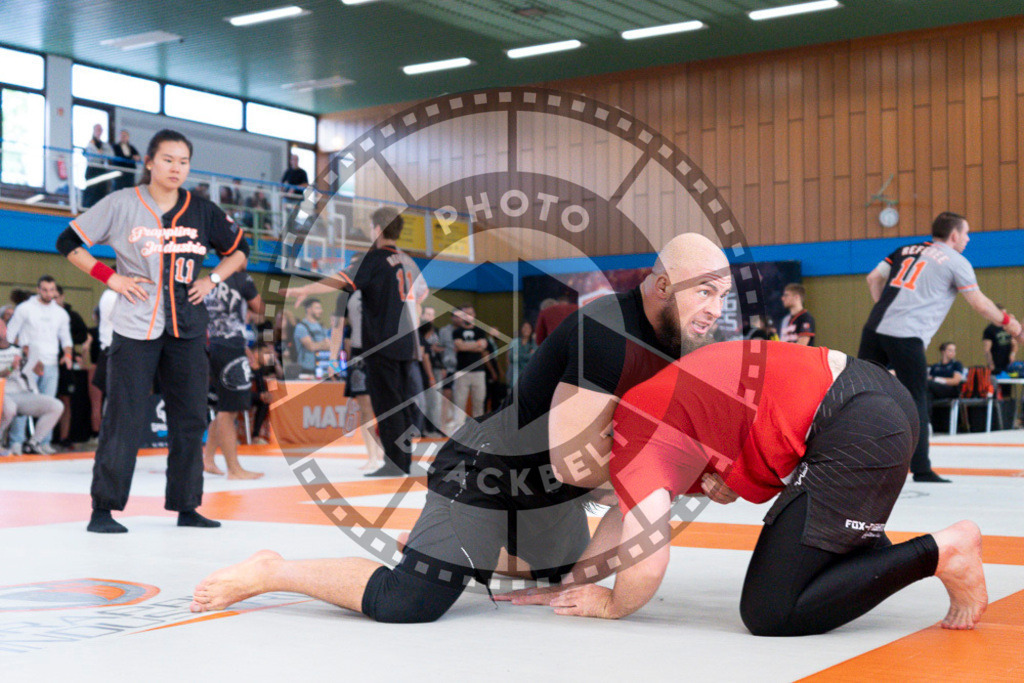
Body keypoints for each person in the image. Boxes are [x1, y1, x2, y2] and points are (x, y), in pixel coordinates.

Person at [189, 233, 733, 623]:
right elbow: (576, 459)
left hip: (548, 492)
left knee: (560, 578)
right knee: (410, 601)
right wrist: (672, 473)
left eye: (724, 296)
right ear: (662, 285)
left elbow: (637, 464)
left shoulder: (680, 347)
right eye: (704, 292)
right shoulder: (609, 332)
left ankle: (439, 540)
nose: (716, 308)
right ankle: (272, 569)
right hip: (490, 468)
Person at [510, 340, 987, 635]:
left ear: (594, 446)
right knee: (826, 549)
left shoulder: (634, 442)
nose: (584, 486)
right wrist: (572, 585)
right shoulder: (647, 407)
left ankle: (945, 551)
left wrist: (612, 605)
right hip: (871, 398)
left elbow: (648, 558)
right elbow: (623, 518)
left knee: (770, 611)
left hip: (856, 421)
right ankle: (919, 553)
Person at [57, 128, 250, 533]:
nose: (176, 168)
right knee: (123, 417)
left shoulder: (203, 210)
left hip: (189, 328)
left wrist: (212, 279)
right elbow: (68, 242)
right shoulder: (121, 203)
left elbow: (238, 251)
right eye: (168, 159)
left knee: (190, 417)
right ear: (148, 161)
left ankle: (187, 506)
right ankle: (103, 509)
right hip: (134, 326)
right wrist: (112, 279)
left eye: (183, 161)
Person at [858, 211, 1023, 483]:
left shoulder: (905, 249)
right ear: (954, 234)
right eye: (966, 233)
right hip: (906, 336)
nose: (968, 239)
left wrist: (882, 307)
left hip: (874, 328)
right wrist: (1009, 323)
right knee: (916, 400)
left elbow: (873, 279)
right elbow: (979, 303)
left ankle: (857, 461)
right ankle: (921, 469)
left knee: (862, 395)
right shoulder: (956, 261)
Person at [283, 207, 427, 477]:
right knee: (401, 401)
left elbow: (340, 280)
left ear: (377, 230)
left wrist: (304, 288)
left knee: (386, 405)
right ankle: (404, 460)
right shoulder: (408, 261)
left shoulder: (374, 259)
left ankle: (394, 464)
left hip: (381, 343)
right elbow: (422, 294)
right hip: (407, 343)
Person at [203, 272, 264, 480]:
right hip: (229, 348)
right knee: (228, 410)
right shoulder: (241, 279)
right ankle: (234, 469)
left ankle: (208, 459)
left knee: (223, 407)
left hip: (216, 348)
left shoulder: (208, 281)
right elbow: (260, 307)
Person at [5, 275, 72, 453]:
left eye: (51, 290)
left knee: (49, 403)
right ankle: (16, 441)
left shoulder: (60, 313)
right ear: (38, 289)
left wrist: (68, 353)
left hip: (51, 364)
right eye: (44, 289)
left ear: (55, 291)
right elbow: (11, 334)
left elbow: (66, 337)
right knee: (22, 404)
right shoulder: (25, 308)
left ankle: (41, 442)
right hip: (27, 365)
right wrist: (19, 353)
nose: (48, 293)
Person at [331, 290, 384, 471]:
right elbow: (337, 327)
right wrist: (333, 358)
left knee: (384, 405)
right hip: (360, 354)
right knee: (365, 405)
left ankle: (380, 446)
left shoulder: (384, 287)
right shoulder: (347, 294)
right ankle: (372, 455)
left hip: (384, 353)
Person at [0, 318, 65, 456]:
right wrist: (11, 367)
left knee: (56, 406)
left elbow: (39, 371)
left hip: (22, 393)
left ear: (6, 330)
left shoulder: (19, 350)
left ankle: (33, 443)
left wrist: (33, 357)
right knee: (9, 408)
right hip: (3, 394)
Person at [449, 306, 489, 432]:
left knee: (479, 403)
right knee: (460, 404)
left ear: (474, 314)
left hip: (479, 372)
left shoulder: (480, 331)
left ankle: (478, 433)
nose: (468, 316)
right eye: (465, 314)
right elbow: (460, 346)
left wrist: (466, 346)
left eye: (470, 313)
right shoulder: (457, 331)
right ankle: (457, 433)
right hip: (462, 372)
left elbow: (483, 347)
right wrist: (476, 344)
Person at [293, 299, 330, 376]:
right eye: (317, 308)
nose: (321, 311)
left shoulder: (322, 327)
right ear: (308, 309)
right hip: (306, 370)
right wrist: (323, 344)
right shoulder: (301, 327)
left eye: (321, 308)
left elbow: (329, 345)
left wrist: (318, 345)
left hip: (322, 369)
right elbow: (311, 346)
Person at [82, 124, 113, 208]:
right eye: (97, 129)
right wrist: (98, 152)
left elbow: (110, 154)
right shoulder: (90, 144)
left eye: (100, 130)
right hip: (92, 170)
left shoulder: (104, 145)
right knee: (91, 191)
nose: (98, 132)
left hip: (101, 170)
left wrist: (100, 153)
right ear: (94, 131)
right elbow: (92, 156)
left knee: (101, 191)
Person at [983, 305, 1017, 374]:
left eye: (1005, 314)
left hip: (1008, 364)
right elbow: (987, 349)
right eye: (1003, 314)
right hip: (996, 365)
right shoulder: (989, 329)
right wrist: (990, 363)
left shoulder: (1008, 327)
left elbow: (1014, 344)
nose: (1005, 316)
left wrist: (1012, 354)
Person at [508, 320, 536, 389]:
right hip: (515, 375)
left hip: (528, 376)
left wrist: (519, 355)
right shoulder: (515, 342)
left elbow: (534, 358)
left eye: (528, 328)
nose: (526, 330)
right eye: (524, 327)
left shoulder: (534, 344)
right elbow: (511, 357)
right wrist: (528, 355)